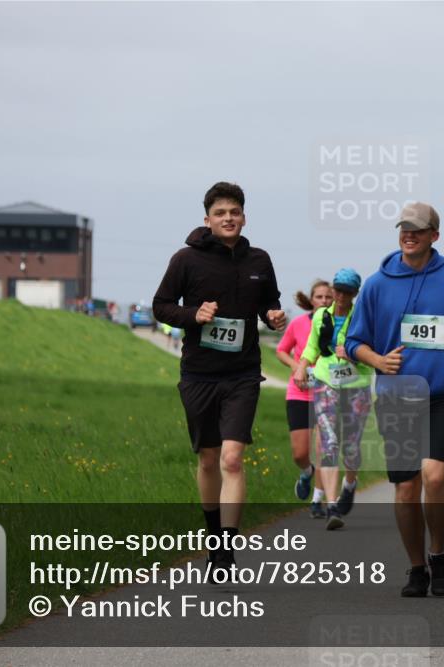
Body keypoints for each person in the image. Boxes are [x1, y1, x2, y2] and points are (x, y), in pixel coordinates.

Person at [345, 202, 444, 598]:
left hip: (443, 392)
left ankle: (438, 553)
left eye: (417, 229)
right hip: (396, 396)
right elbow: (353, 341)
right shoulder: (377, 284)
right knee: (406, 489)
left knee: (435, 475)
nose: (408, 235)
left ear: (434, 235)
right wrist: (377, 359)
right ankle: (416, 567)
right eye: (403, 229)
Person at [152, 181, 287, 572]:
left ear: (244, 217)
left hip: (243, 373)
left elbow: (269, 303)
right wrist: (192, 314)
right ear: (208, 219)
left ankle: (226, 547)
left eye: (234, 212)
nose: (228, 218)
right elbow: (161, 306)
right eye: (220, 213)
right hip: (198, 373)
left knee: (231, 458)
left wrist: (274, 317)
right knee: (209, 458)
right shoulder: (186, 260)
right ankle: (213, 535)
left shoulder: (259, 260)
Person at [294, 269, 374, 530]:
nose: (340, 296)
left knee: (350, 446)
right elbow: (312, 347)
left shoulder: (363, 317)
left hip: (356, 383)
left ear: (355, 294)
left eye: (347, 291)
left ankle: (349, 483)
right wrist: (301, 366)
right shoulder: (320, 316)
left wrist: (355, 353)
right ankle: (332, 506)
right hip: (326, 381)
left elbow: (374, 349)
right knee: (328, 443)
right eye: (338, 290)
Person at [276, 280, 333, 518]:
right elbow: (281, 350)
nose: (323, 301)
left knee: (324, 449)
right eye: (319, 297)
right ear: (311, 300)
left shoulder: (338, 325)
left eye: (328, 297)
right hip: (299, 392)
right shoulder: (298, 324)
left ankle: (317, 501)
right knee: (300, 453)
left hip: (327, 394)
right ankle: (307, 472)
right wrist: (296, 366)